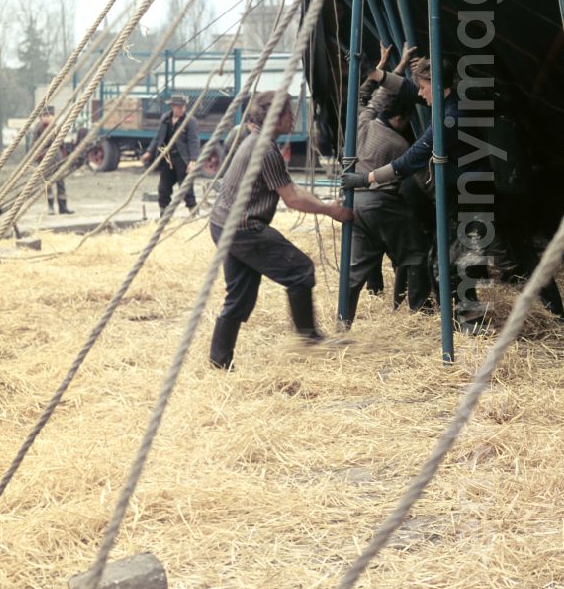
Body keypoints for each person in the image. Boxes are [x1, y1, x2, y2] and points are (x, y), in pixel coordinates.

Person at [342, 57, 564, 331]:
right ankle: (549, 311)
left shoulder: (450, 119)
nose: (420, 94)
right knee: (498, 255)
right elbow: (409, 90)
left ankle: (476, 322)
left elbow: (411, 159)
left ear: (436, 86)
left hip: (471, 197)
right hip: (473, 190)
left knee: (456, 263)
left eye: (424, 87)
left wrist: (366, 178)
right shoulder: (451, 99)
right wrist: (376, 73)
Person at [207, 90, 353, 370]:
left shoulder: (256, 141)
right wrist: (331, 210)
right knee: (300, 270)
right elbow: (293, 198)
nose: (293, 117)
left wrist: (324, 204)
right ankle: (309, 340)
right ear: (276, 116)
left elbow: (291, 188)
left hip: (224, 224)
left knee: (239, 295)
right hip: (243, 228)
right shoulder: (265, 149)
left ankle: (219, 361)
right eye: (289, 112)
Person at [341, 42, 431, 326]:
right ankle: (419, 313)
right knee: (415, 253)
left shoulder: (363, 122)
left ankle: (343, 323)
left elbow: (374, 95)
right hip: (383, 204)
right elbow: (421, 181)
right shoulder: (401, 144)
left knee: (354, 272)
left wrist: (397, 63)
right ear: (402, 118)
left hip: (353, 204)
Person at [141, 94, 200, 214]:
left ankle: (194, 214)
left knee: (186, 189)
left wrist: (192, 160)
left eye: (182, 107)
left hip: (182, 159)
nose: (181, 110)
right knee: (163, 189)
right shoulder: (165, 119)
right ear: (172, 107)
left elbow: (194, 141)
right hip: (167, 159)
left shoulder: (190, 121)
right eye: (178, 107)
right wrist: (149, 151)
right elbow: (158, 137)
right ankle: (163, 215)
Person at [32, 106, 74, 215]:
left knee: (61, 181)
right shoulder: (38, 129)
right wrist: (40, 158)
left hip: (57, 156)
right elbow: (34, 146)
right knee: (48, 183)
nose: (47, 118)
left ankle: (63, 206)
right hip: (45, 158)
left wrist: (64, 156)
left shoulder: (56, 127)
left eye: (49, 116)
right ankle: (50, 207)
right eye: (45, 116)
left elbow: (61, 142)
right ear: (41, 117)